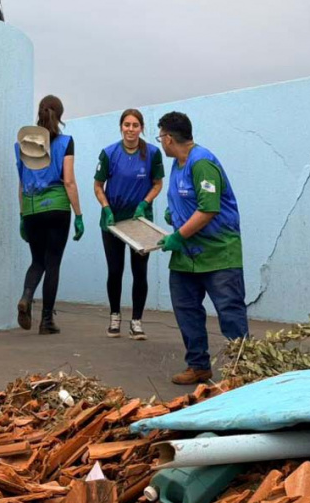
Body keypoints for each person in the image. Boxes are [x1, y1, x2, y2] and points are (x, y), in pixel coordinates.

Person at [156, 111, 248, 384]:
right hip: (187, 256)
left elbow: (208, 209)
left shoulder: (202, 162)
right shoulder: (178, 163)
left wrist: (177, 236)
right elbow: (187, 198)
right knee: (186, 310)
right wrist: (174, 214)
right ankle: (198, 365)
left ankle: (244, 369)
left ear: (169, 138)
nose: (160, 142)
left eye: (160, 136)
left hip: (218, 253)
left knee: (230, 313)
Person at [15, 95, 84, 334]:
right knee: (53, 263)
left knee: (37, 261)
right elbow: (69, 181)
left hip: (32, 208)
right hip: (56, 209)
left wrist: (23, 216)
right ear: (61, 116)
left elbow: (22, 183)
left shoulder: (22, 144)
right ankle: (46, 322)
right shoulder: (66, 142)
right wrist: (79, 215)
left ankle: (26, 297)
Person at [94, 109, 164, 339]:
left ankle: (137, 321)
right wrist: (105, 208)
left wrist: (145, 203)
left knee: (139, 272)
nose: (131, 129)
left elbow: (157, 184)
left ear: (142, 128)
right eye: (127, 125)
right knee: (115, 271)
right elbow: (97, 186)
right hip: (114, 222)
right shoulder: (109, 153)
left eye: (135, 125)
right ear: (121, 127)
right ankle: (115, 317)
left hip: (140, 221)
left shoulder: (152, 153)